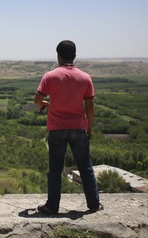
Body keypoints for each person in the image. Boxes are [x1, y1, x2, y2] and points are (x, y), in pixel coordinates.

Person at [34, 40, 101, 215]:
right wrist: (90, 128)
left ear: (58, 55)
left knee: (56, 169)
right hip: (79, 128)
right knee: (85, 166)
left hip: (57, 129)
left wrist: (47, 104)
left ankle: (52, 206)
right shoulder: (85, 77)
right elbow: (90, 106)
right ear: (75, 56)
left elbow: (37, 100)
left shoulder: (50, 76)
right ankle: (93, 204)